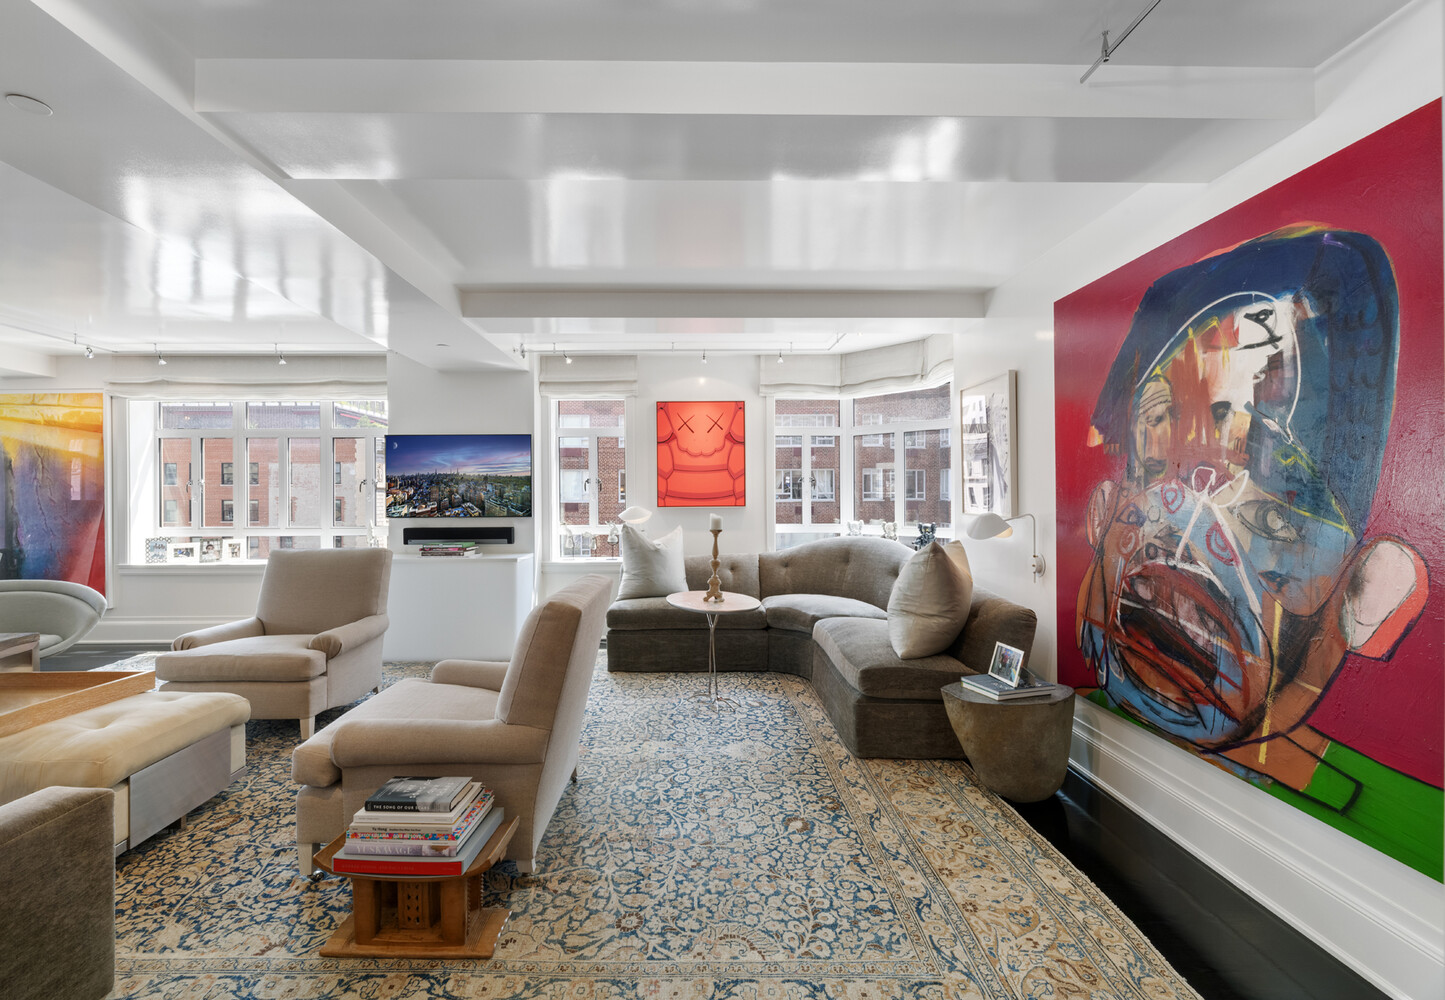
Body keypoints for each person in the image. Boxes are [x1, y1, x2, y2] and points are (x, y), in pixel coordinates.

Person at [1076, 227, 1428, 802]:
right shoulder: (1084, 714)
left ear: (1369, 600)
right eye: (1158, 470)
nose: (1185, 532)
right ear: (1104, 513)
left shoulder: (1402, 816)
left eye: (1272, 521)